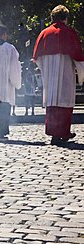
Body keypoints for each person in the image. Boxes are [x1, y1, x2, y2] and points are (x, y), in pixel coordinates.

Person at [33, 5, 84, 145]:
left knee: (52, 101)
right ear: (65, 18)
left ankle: (53, 133)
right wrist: (81, 74)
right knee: (64, 100)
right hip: (65, 71)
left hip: (49, 74)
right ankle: (63, 132)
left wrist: (45, 69)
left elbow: (37, 58)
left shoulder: (44, 33)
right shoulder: (69, 32)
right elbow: (78, 57)